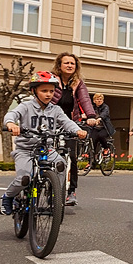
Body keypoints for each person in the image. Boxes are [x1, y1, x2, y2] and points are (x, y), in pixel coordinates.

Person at [0, 72, 88, 214]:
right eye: (44, 91)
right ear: (34, 91)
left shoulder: (56, 109)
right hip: (26, 150)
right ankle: (8, 197)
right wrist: (11, 124)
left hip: (47, 149)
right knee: (25, 178)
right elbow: (12, 114)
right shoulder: (26, 106)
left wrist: (78, 131)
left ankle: (55, 196)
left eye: (52, 91)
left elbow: (67, 123)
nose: (48, 94)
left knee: (61, 164)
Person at [52, 53, 98, 206]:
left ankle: (71, 191)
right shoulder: (51, 80)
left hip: (70, 123)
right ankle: (41, 182)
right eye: (66, 63)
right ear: (59, 65)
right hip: (51, 122)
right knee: (44, 154)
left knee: (71, 156)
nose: (70, 65)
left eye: (72, 63)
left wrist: (91, 115)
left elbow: (84, 99)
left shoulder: (77, 83)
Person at [89, 92, 115, 159]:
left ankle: (106, 148)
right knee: (92, 142)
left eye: (100, 99)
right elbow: (89, 114)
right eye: (97, 99)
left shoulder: (105, 107)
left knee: (101, 136)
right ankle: (91, 162)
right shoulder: (92, 108)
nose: (99, 100)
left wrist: (100, 118)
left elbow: (105, 113)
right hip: (95, 128)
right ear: (94, 101)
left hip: (105, 127)